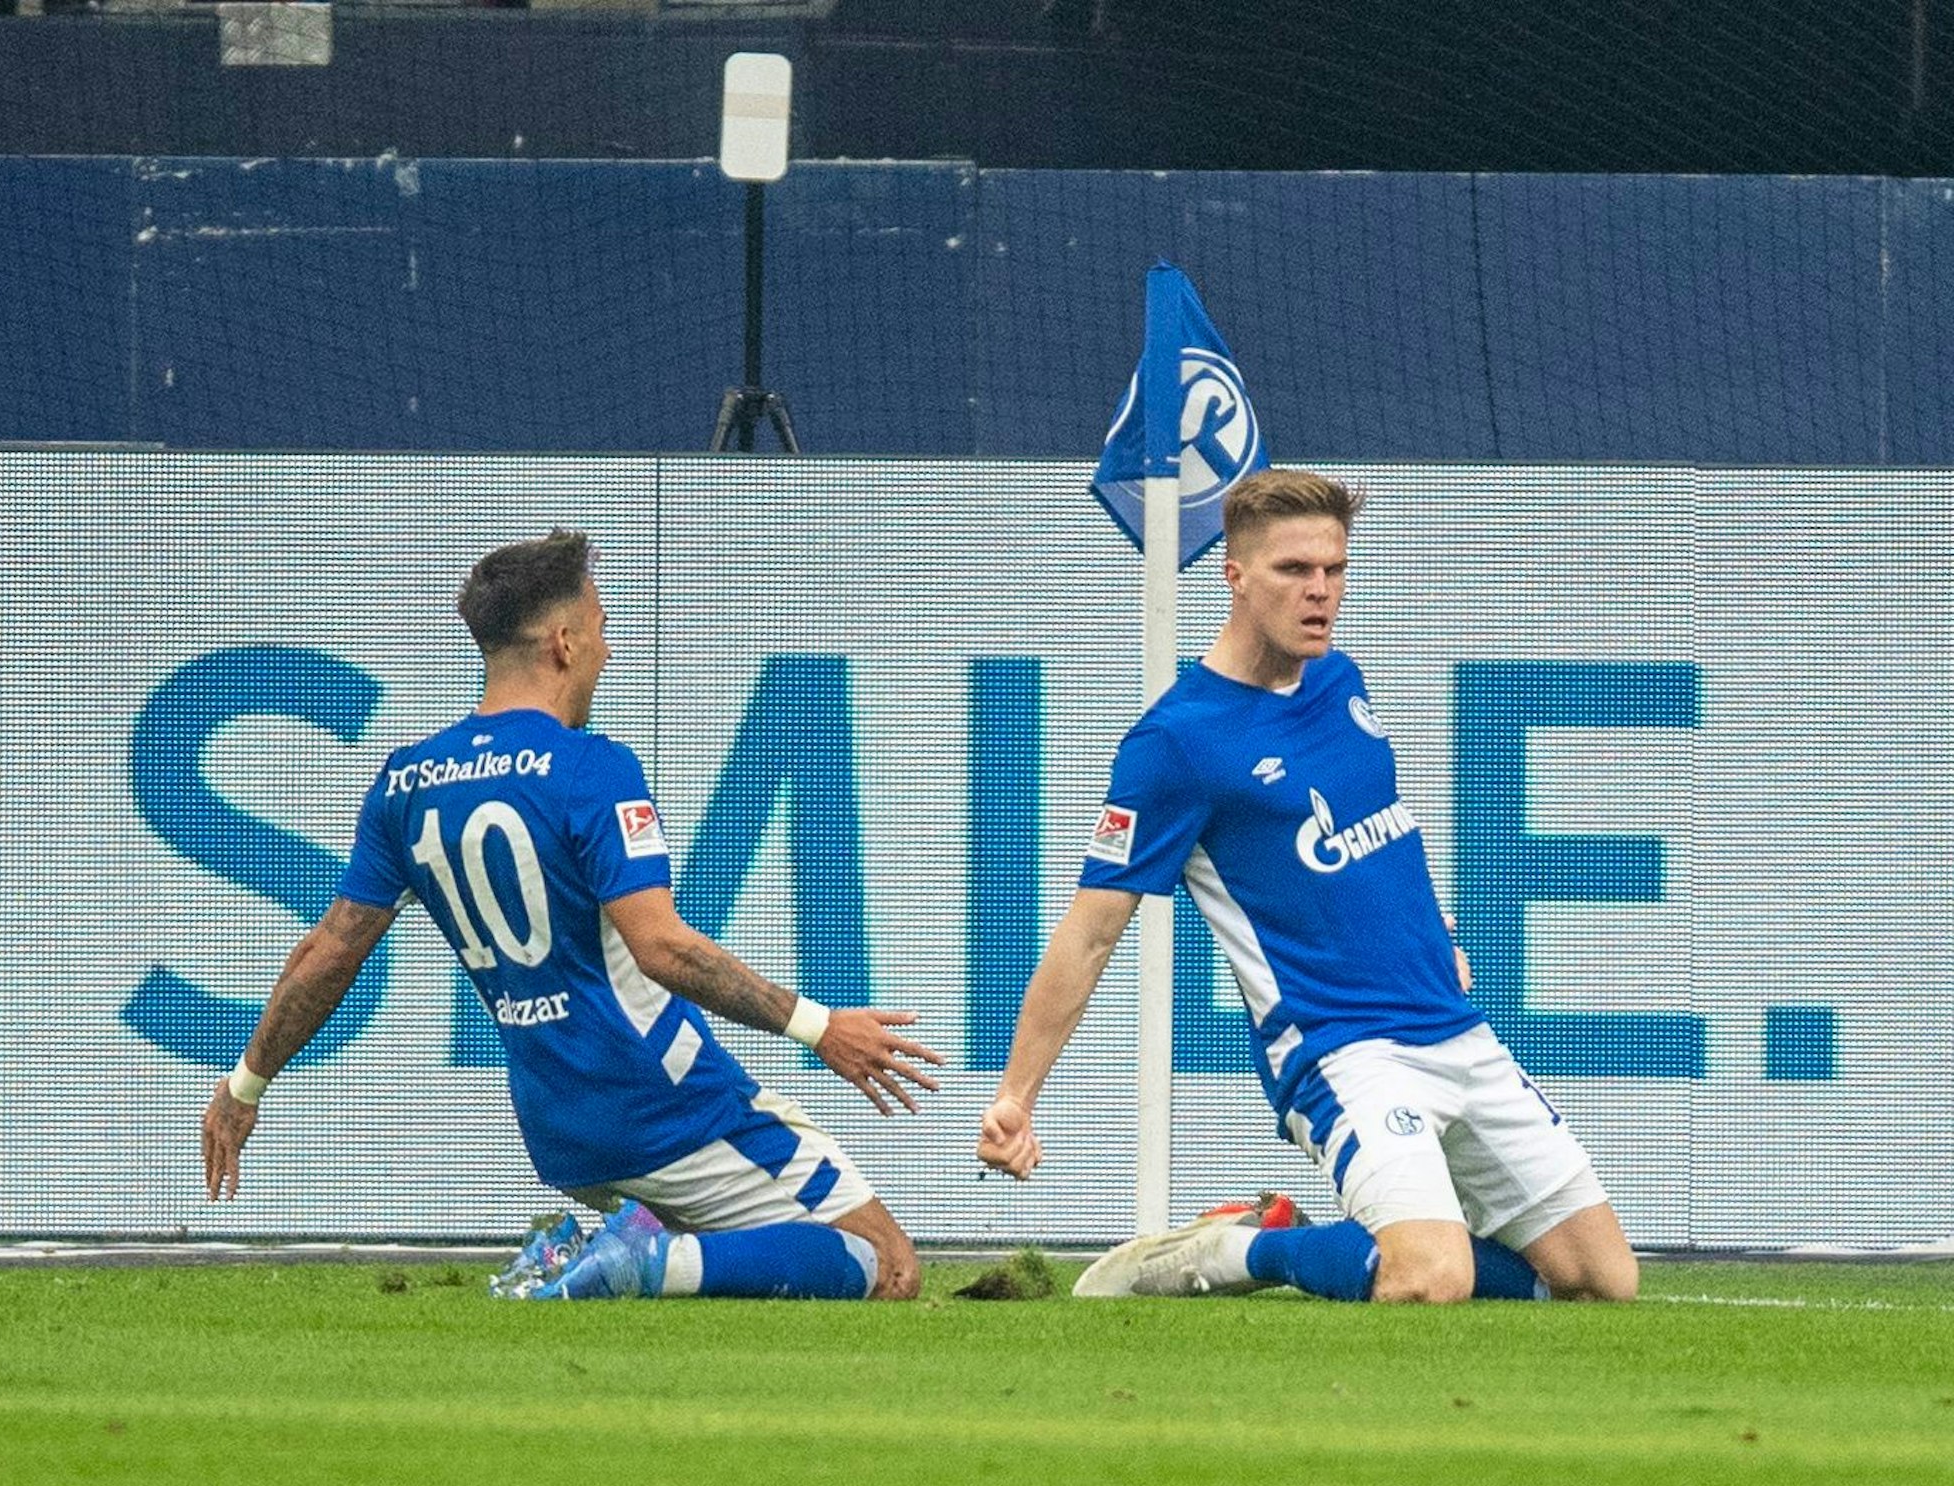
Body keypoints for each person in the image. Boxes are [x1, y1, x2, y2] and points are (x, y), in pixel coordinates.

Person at [202, 529, 942, 1301]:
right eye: (600, 629)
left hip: (558, 1126)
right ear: (563, 642)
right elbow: (663, 949)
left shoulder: (407, 782)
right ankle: (638, 1260)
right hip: (668, 1104)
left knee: (742, 1266)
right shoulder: (591, 768)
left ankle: (593, 1255)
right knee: (886, 1265)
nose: (607, 652)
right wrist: (821, 1027)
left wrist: (244, 1086)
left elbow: (328, 953)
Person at [975, 470, 1637, 1304]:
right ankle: (1244, 1250)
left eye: (1334, 568)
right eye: (1294, 569)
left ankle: (1325, 1239)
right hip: (1344, 1052)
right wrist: (1017, 1096)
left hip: (1453, 1026)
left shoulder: (1338, 680)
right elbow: (1091, 931)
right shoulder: (1177, 742)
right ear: (1236, 576)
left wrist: (1440, 931)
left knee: (1601, 1283)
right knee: (1431, 1278)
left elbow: (1385, 828)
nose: (1321, 590)